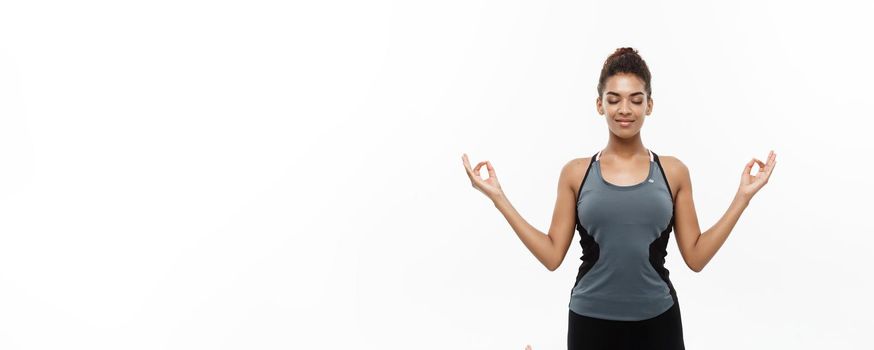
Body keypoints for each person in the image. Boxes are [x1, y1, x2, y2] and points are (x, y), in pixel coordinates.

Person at [461, 47, 777, 350]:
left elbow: (695, 257)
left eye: (635, 100)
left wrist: (742, 197)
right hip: (590, 321)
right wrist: (498, 198)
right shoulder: (576, 173)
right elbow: (552, 255)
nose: (624, 109)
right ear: (600, 104)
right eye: (614, 100)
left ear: (649, 105)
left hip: (658, 322)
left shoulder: (673, 172)